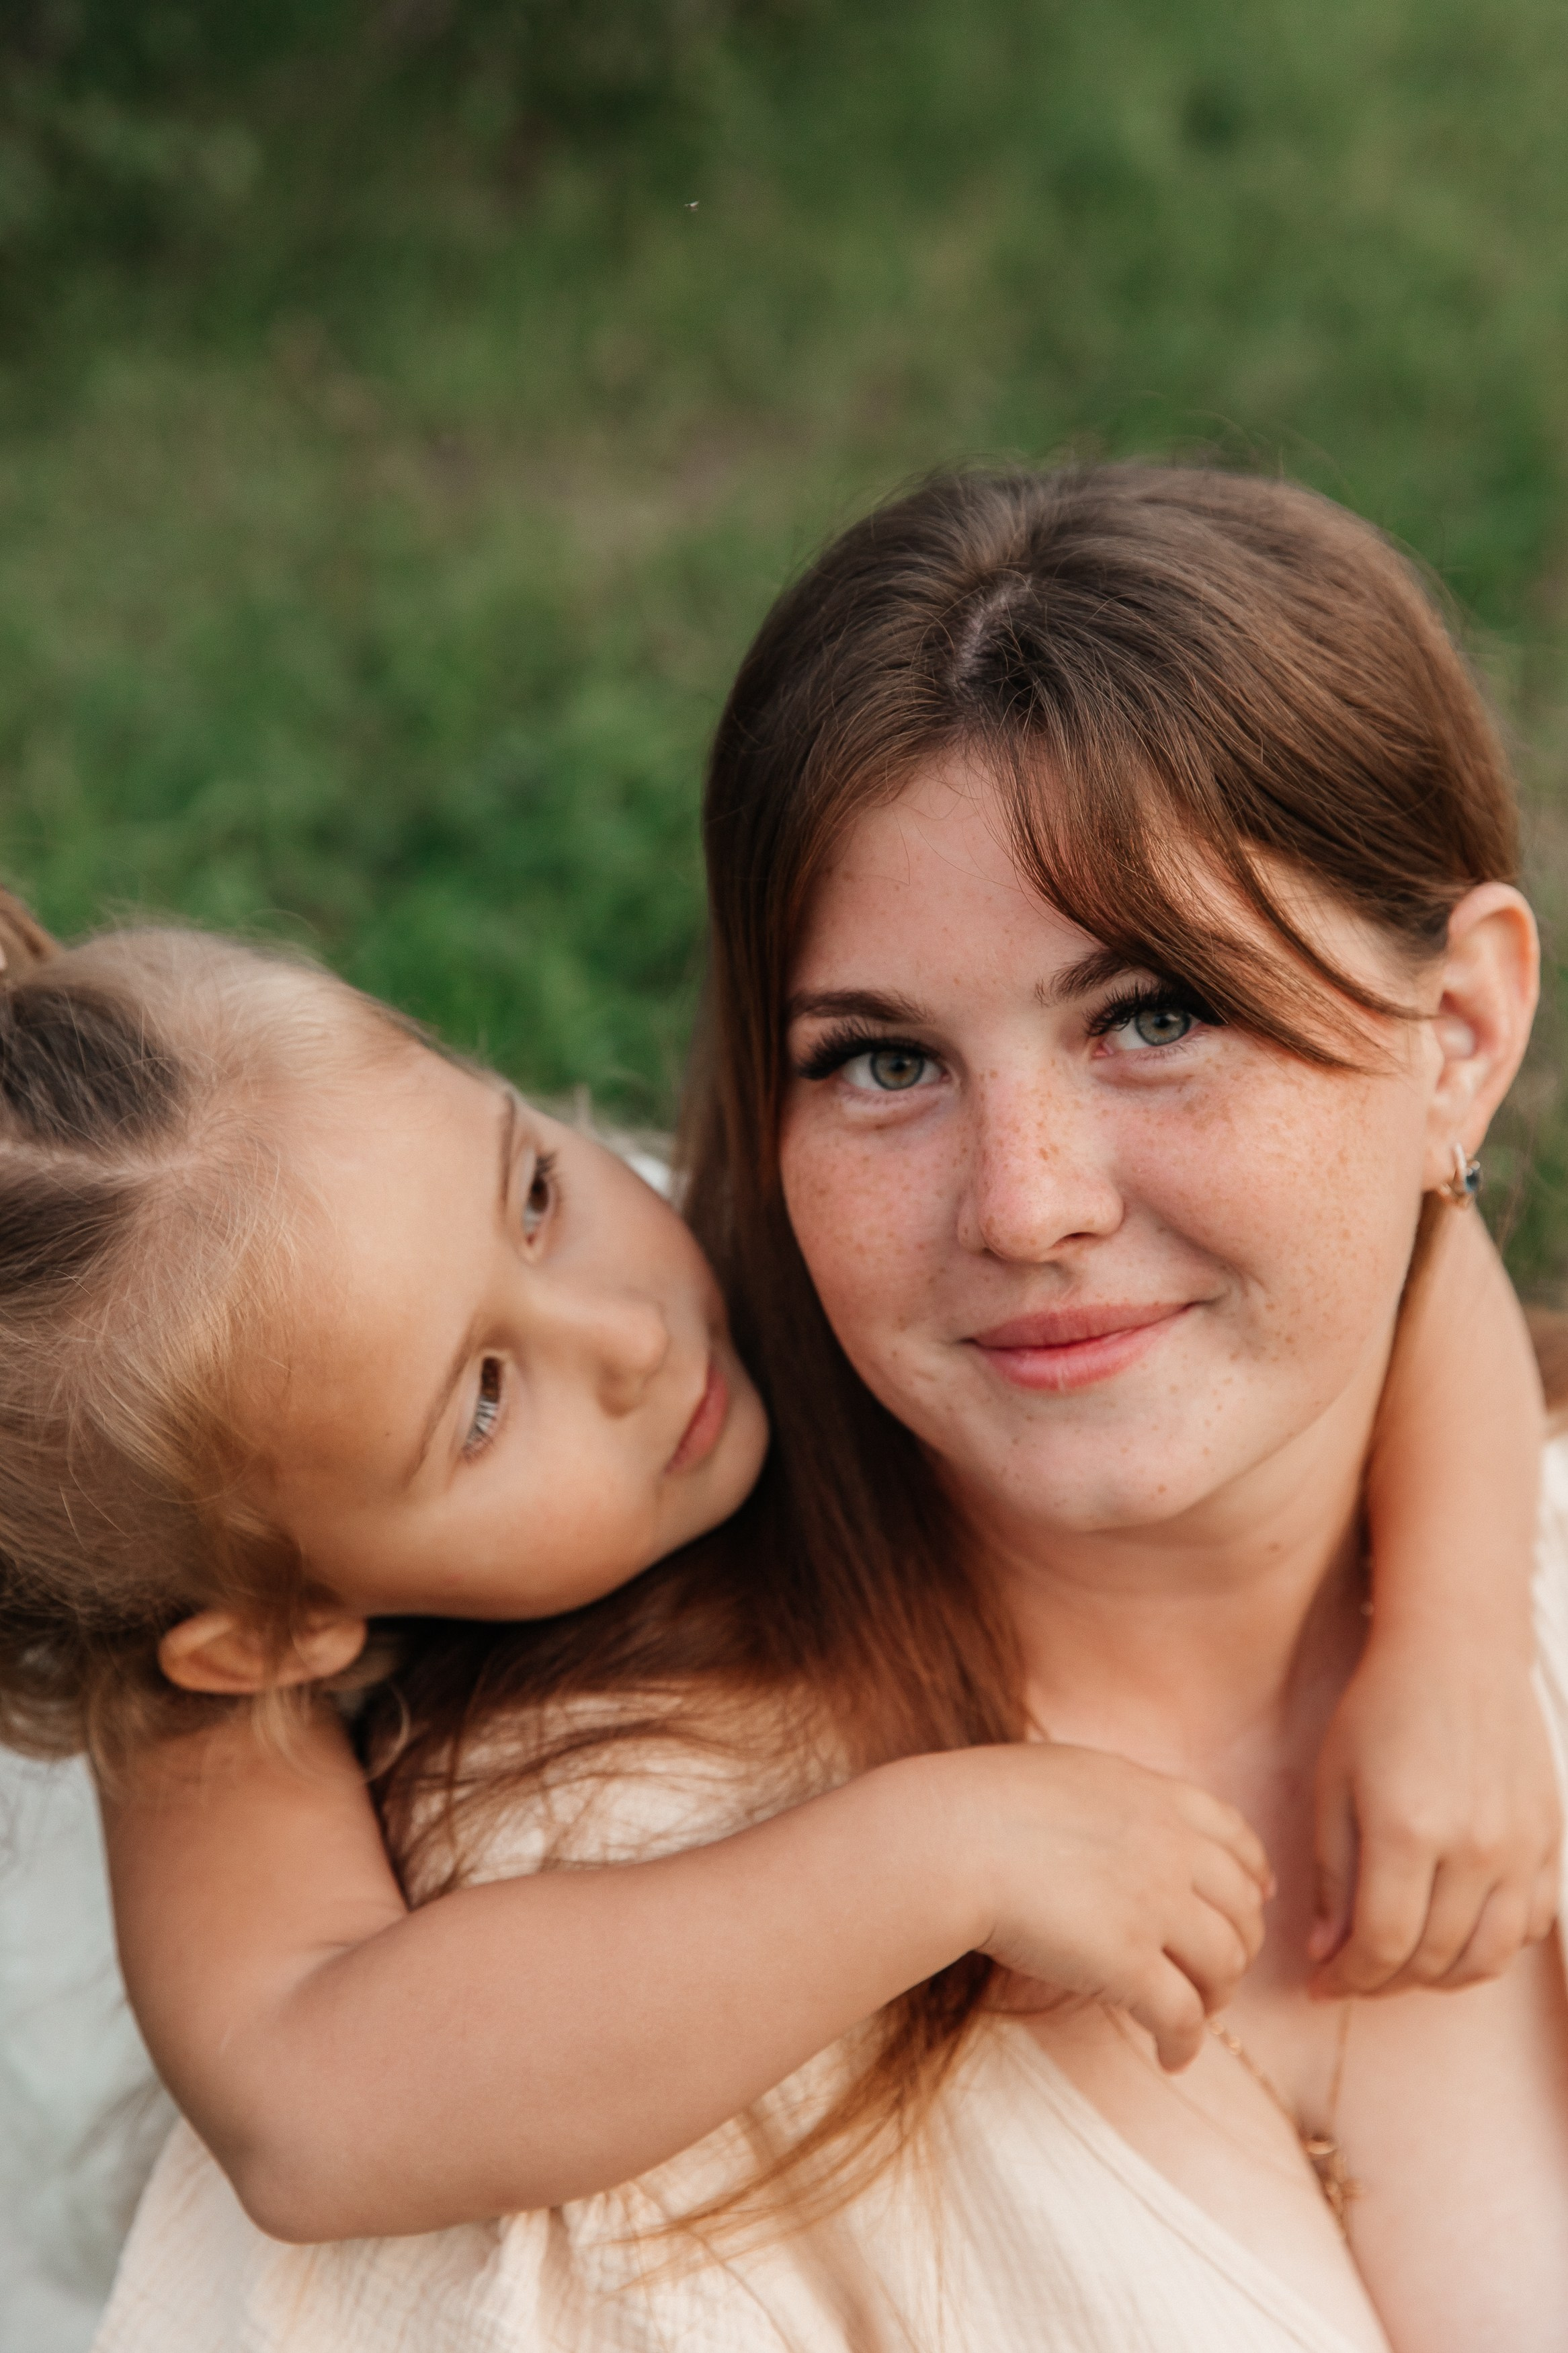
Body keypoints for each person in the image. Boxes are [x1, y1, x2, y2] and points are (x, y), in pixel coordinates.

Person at [82, 463, 1568, 2350]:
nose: (1026, 1204)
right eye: (878, 1058)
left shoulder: (1509, 1562)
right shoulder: (571, 2016)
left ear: (1454, 1035)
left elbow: (1411, 1259)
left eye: (1151, 1014)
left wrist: (1449, 1624)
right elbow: (299, 2081)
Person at [0, 886, 1534, 2259]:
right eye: (480, 1402)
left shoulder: (783, 1218)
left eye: (532, 1191)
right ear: (275, 1631)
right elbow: (310, 2110)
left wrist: (1455, 1647)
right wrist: (942, 1853)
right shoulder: (192, 1682)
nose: (630, 1333)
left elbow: (1417, 1224)